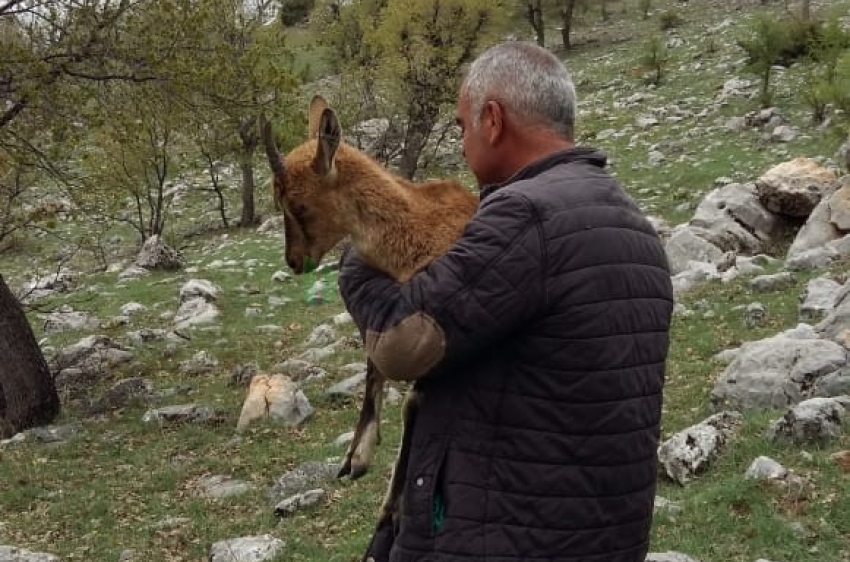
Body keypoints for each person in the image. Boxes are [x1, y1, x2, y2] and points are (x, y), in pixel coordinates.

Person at [337, 40, 675, 562]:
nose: (463, 143)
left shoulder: (525, 216)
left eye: (462, 126)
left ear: (492, 120)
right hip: (599, 535)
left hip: (501, 539)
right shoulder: (632, 223)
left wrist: (361, 257)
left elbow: (404, 344)